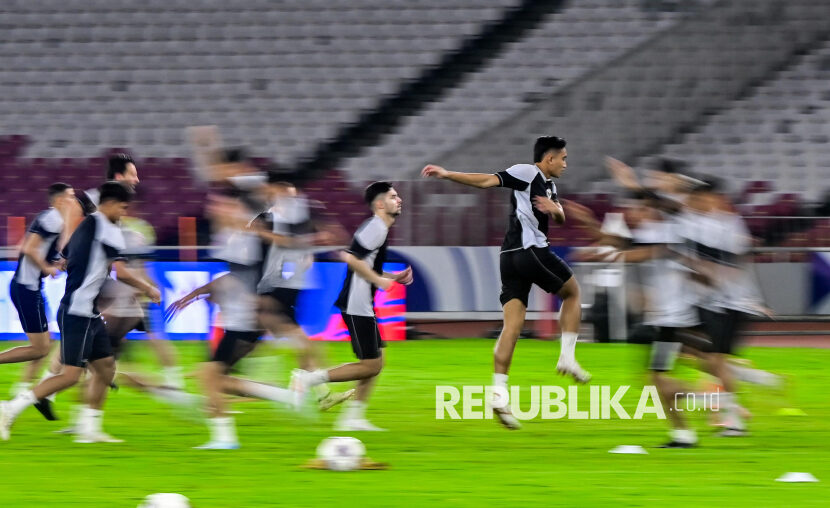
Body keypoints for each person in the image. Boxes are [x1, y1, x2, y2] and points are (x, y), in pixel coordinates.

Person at [421, 136, 588, 430]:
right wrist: (447, 174)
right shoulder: (527, 172)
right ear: (548, 159)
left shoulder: (550, 185)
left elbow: (559, 216)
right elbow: (487, 181)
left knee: (512, 326)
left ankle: (498, 393)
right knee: (572, 292)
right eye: (563, 158)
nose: (565, 163)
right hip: (530, 251)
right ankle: (567, 358)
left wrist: (555, 209)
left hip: (509, 258)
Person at [0, 182, 161, 443]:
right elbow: (121, 271)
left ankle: (89, 430)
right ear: (108, 204)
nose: (124, 212)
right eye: (122, 207)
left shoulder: (87, 225)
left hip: (88, 312)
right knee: (70, 375)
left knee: (106, 368)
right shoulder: (110, 231)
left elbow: (64, 256)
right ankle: (10, 408)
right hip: (78, 312)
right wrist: (148, 288)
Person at [291, 182, 412, 431]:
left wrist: (392, 277)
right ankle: (309, 379)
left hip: (362, 304)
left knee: (377, 361)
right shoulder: (376, 227)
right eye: (392, 196)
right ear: (380, 204)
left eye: (397, 196)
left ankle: (353, 418)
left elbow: (366, 265)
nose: (398, 200)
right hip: (358, 306)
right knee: (371, 365)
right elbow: (351, 257)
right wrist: (380, 280)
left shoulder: (379, 228)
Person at [3, 183, 75, 416]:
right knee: (40, 348)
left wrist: (56, 265)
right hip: (26, 289)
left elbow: (43, 256)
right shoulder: (53, 217)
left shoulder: (57, 221)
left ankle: (24, 388)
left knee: (46, 344)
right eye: (71, 197)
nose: (74, 201)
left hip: (33, 288)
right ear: (60, 200)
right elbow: (29, 247)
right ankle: (26, 392)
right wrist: (47, 266)